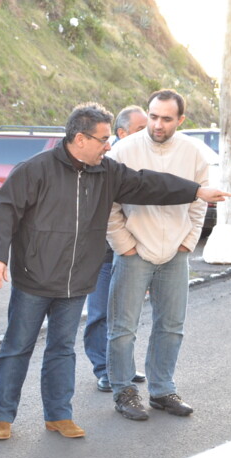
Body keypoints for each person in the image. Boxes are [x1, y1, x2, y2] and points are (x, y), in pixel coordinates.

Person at [0, 102, 231, 441]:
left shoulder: (107, 173)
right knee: (17, 346)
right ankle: (2, 417)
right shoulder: (35, 169)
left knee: (62, 350)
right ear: (80, 138)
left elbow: (149, 184)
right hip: (34, 277)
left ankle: (58, 415)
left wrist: (196, 191)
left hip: (75, 282)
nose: (108, 145)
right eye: (103, 139)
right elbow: (5, 211)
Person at [106, 90, 210, 421]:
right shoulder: (123, 150)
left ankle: (162, 390)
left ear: (181, 120)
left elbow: (200, 200)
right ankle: (124, 391)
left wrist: (188, 241)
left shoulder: (193, 153)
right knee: (123, 327)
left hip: (176, 254)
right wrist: (125, 245)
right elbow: (108, 205)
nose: (158, 124)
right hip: (134, 252)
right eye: (153, 116)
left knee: (171, 325)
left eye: (166, 118)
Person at [84, 105, 149, 393]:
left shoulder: (145, 158)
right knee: (100, 313)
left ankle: (121, 366)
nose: (146, 135)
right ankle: (104, 369)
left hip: (134, 249)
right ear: (121, 133)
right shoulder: (102, 161)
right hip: (102, 250)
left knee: (126, 313)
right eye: (139, 129)